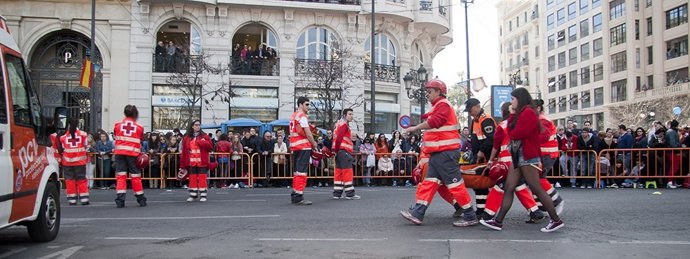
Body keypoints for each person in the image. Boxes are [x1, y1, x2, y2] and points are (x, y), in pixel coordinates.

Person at [480, 88, 563, 232]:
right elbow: (514, 132)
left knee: (537, 189)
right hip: (519, 155)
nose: (511, 102)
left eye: (513, 99)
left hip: (527, 156)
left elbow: (516, 134)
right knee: (509, 187)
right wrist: (513, 115)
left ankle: (556, 220)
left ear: (520, 98)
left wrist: (512, 115)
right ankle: (498, 221)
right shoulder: (523, 113)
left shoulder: (528, 113)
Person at [400, 79, 478, 227]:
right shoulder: (439, 106)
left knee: (455, 185)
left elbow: (435, 121)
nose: (427, 94)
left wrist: (414, 128)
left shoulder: (442, 104)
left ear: (438, 92)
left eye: (429, 92)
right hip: (439, 153)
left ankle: (470, 215)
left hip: (445, 153)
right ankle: (418, 213)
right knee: (429, 183)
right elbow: (431, 117)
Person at [484, 102, 544, 223]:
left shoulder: (502, 126)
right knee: (519, 186)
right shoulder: (518, 123)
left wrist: (490, 161)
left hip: (506, 161)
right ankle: (535, 211)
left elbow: (496, 145)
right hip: (519, 158)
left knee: (500, 187)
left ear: (503, 112)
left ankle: (489, 214)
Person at [464, 97, 496, 219]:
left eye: (470, 110)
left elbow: (491, 139)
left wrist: (481, 151)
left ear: (477, 107)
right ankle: (481, 210)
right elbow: (475, 139)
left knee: (493, 186)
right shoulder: (475, 121)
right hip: (479, 158)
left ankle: (487, 211)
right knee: (479, 185)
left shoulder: (486, 120)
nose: (470, 113)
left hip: (488, 157)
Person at [533, 99, 565, 212]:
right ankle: (542, 208)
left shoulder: (542, 120)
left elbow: (543, 137)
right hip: (545, 154)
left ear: (537, 108)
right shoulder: (540, 119)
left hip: (546, 154)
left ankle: (557, 200)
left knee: (538, 180)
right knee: (535, 181)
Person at [113, 105, 147, 208]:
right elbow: (141, 139)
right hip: (133, 154)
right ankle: (141, 199)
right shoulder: (139, 127)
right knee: (135, 177)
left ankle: (120, 200)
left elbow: (115, 135)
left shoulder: (117, 125)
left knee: (121, 176)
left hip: (120, 154)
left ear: (124, 113)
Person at [289, 97, 319, 205]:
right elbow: (308, 133)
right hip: (303, 147)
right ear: (300, 104)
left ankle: (295, 194)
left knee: (297, 172)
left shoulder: (293, 116)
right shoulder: (302, 117)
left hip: (295, 147)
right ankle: (299, 196)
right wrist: (314, 144)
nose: (308, 107)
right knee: (302, 172)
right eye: (307, 104)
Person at [179, 120, 214, 202]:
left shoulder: (204, 136)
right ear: (192, 126)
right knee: (192, 179)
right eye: (196, 125)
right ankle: (193, 195)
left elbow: (210, 147)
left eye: (199, 125)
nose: (198, 126)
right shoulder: (187, 137)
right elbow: (184, 151)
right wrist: (183, 165)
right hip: (191, 162)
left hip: (202, 162)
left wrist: (202, 143)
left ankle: (203, 195)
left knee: (202, 178)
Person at [58, 118, 90, 205]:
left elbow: (62, 148)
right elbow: (86, 146)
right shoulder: (83, 135)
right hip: (80, 162)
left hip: (67, 162)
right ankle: (84, 199)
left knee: (69, 180)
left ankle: (72, 199)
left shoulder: (63, 137)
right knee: (82, 179)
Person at [332, 108, 360, 200]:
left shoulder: (338, 124)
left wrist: (335, 151)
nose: (352, 116)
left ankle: (337, 193)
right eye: (350, 114)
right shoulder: (344, 125)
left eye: (352, 114)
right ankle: (350, 193)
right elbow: (339, 138)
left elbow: (336, 138)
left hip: (339, 152)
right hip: (344, 151)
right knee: (347, 172)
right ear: (345, 115)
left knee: (339, 173)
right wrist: (337, 149)